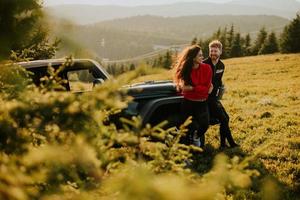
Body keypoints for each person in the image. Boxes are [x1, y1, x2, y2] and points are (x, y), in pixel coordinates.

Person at [174, 45, 213, 148]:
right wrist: (201, 88)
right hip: (188, 102)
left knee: (205, 124)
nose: (202, 57)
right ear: (193, 58)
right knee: (185, 128)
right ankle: (185, 151)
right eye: (199, 55)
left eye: (202, 55)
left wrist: (193, 88)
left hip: (202, 102)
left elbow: (207, 88)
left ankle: (196, 136)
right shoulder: (185, 69)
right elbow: (183, 87)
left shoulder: (207, 68)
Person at [203, 40, 239, 149]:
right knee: (224, 119)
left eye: (215, 51)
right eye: (211, 51)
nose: (213, 53)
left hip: (214, 98)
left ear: (220, 51)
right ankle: (229, 143)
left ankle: (223, 144)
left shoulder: (221, 65)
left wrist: (221, 88)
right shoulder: (204, 64)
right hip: (205, 98)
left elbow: (218, 80)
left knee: (226, 118)